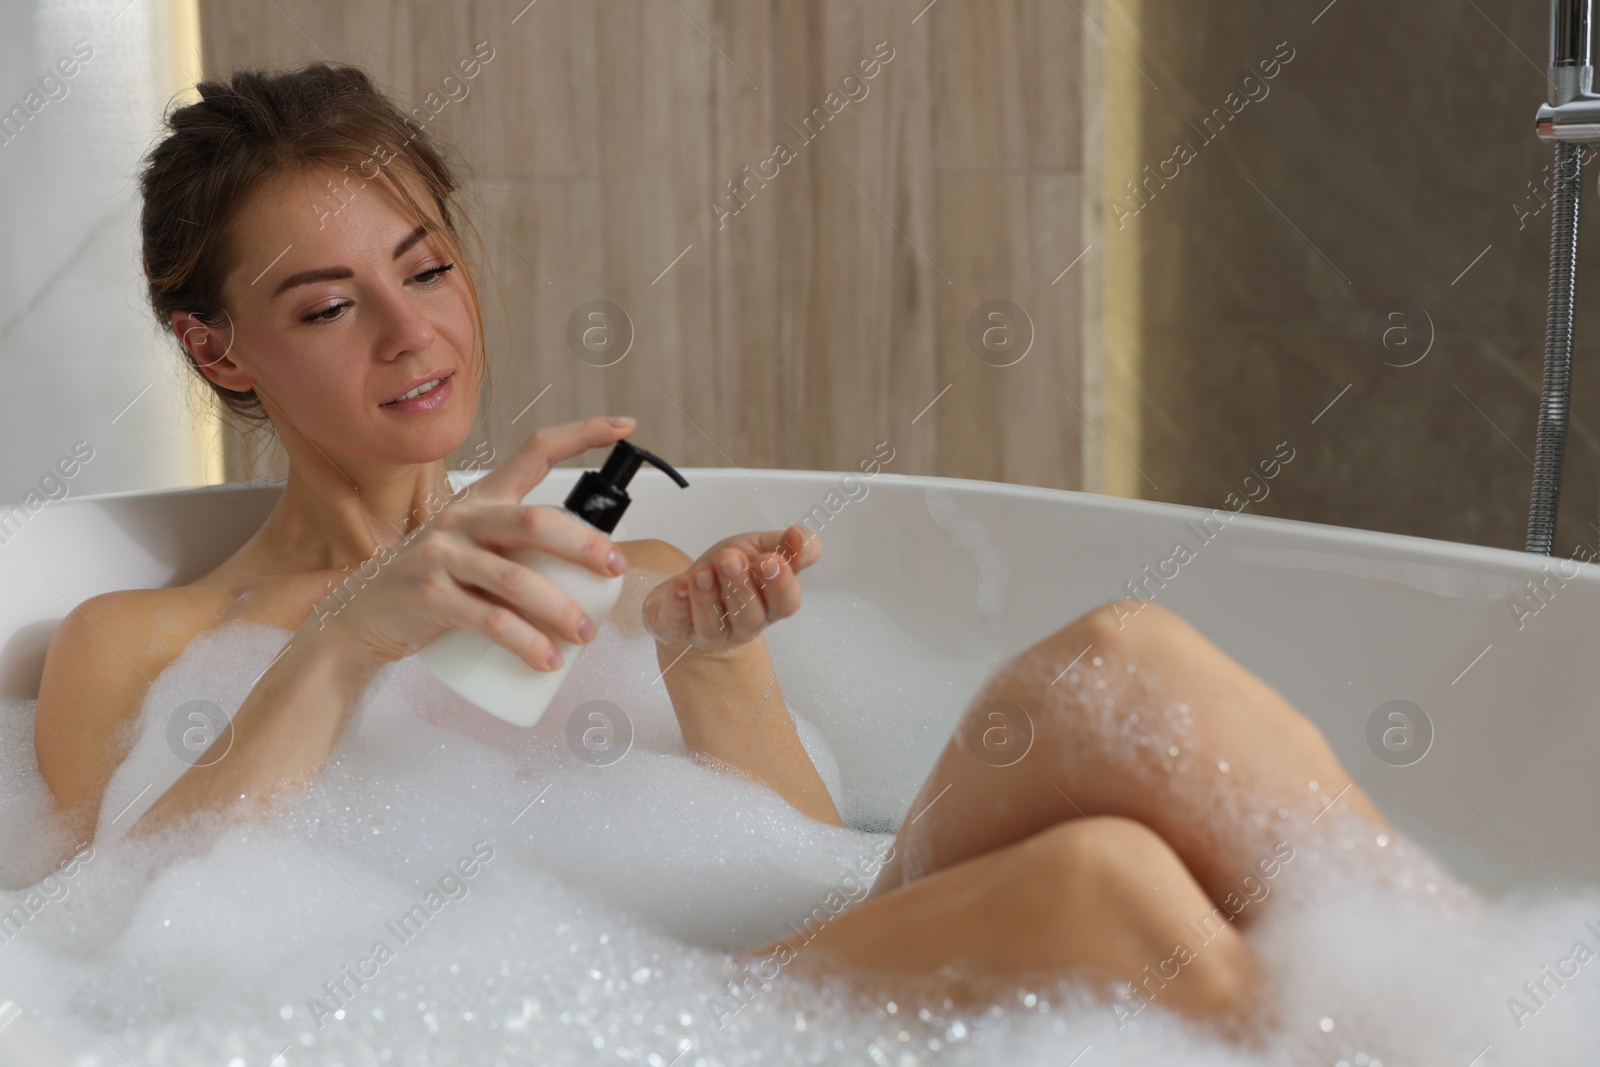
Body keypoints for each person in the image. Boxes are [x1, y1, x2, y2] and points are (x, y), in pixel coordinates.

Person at [31, 62, 1393, 1036]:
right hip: (576, 1027)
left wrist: (712, 666)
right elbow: (123, 959)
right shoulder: (134, 645)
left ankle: (1478, 1005)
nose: (411, 335)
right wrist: (341, 643)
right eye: (329, 306)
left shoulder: (617, 568)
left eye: (428, 269)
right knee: (1101, 883)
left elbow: (809, 859)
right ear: (214, 347)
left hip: (744, 969)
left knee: (1124, 654)